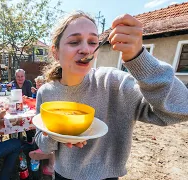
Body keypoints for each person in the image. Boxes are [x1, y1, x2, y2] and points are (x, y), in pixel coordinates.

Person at [34, 11, 188, 180]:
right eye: (74, 42)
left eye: (93, 42)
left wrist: (139, 59)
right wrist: (55, 135)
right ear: (55, 52)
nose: (86, 49)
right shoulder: (46, 92)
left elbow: (181, 110)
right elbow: (42, 144)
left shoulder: (114, 83)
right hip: (63, 175)